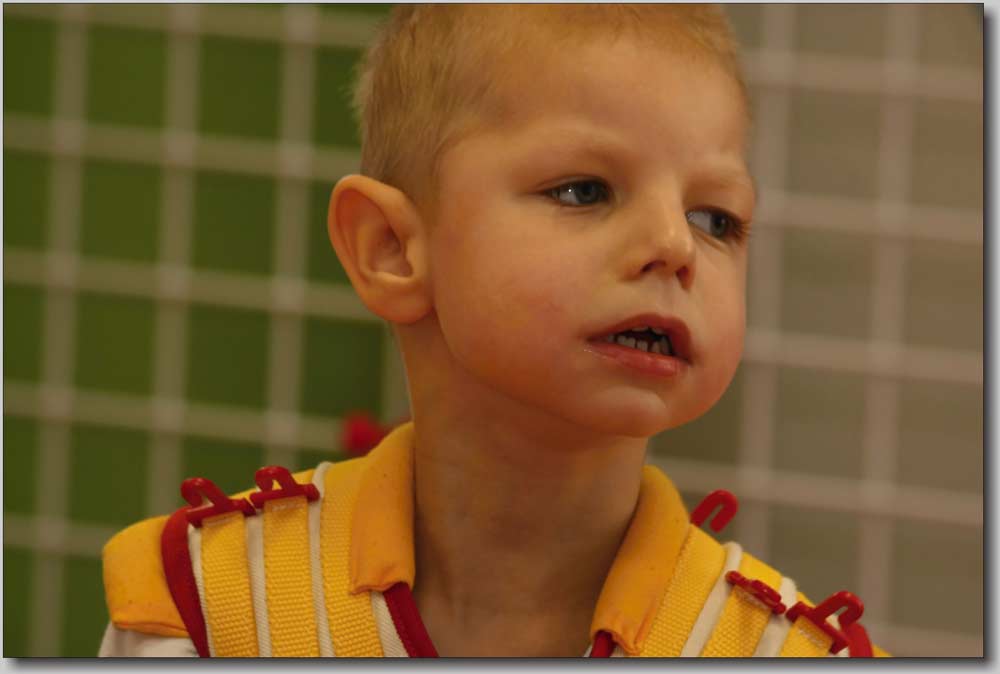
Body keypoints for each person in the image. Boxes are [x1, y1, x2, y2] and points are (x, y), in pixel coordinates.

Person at [99, 4, 889, 657]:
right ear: (391, 248)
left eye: (716, 218)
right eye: (584, 190)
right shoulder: (205, 612)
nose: (675, 245)